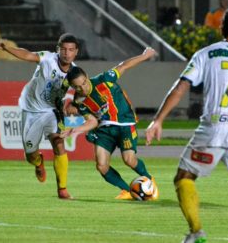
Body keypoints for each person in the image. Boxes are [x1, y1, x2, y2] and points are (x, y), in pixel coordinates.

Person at [146, 8, 228, 242]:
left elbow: (181, 87)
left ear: (220, 28)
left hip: (213, 128)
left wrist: (159, 119)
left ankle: (196, 232)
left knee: (184, 177)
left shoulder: (206, 54)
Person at [60, 48, 159, 200]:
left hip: (125, 123)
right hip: (105, 128)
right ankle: (128, 191)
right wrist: (75, 130)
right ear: (73, 87)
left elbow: (124, 66)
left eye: (84, 83)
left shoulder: (104, 79)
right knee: (101, 165)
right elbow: (92, 121)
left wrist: (145, 55)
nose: (83, 88)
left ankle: (149, 181)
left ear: (86, 77)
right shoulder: (79, 100)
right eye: (78, 87)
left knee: (129, 160)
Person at [0, 33, 80, 199]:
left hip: (52, 111)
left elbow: (82, 88)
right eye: (63, 49)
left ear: (76, 52)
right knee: (30, 154)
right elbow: (27, 54)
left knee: (59, 143)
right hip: (31, 109)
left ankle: (62, 189)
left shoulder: (75, 72)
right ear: (58, 50)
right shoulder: (48, 59)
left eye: (70, 50)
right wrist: (7, 48)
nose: (67, 53)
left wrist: (75, 104)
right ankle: (38, 162)